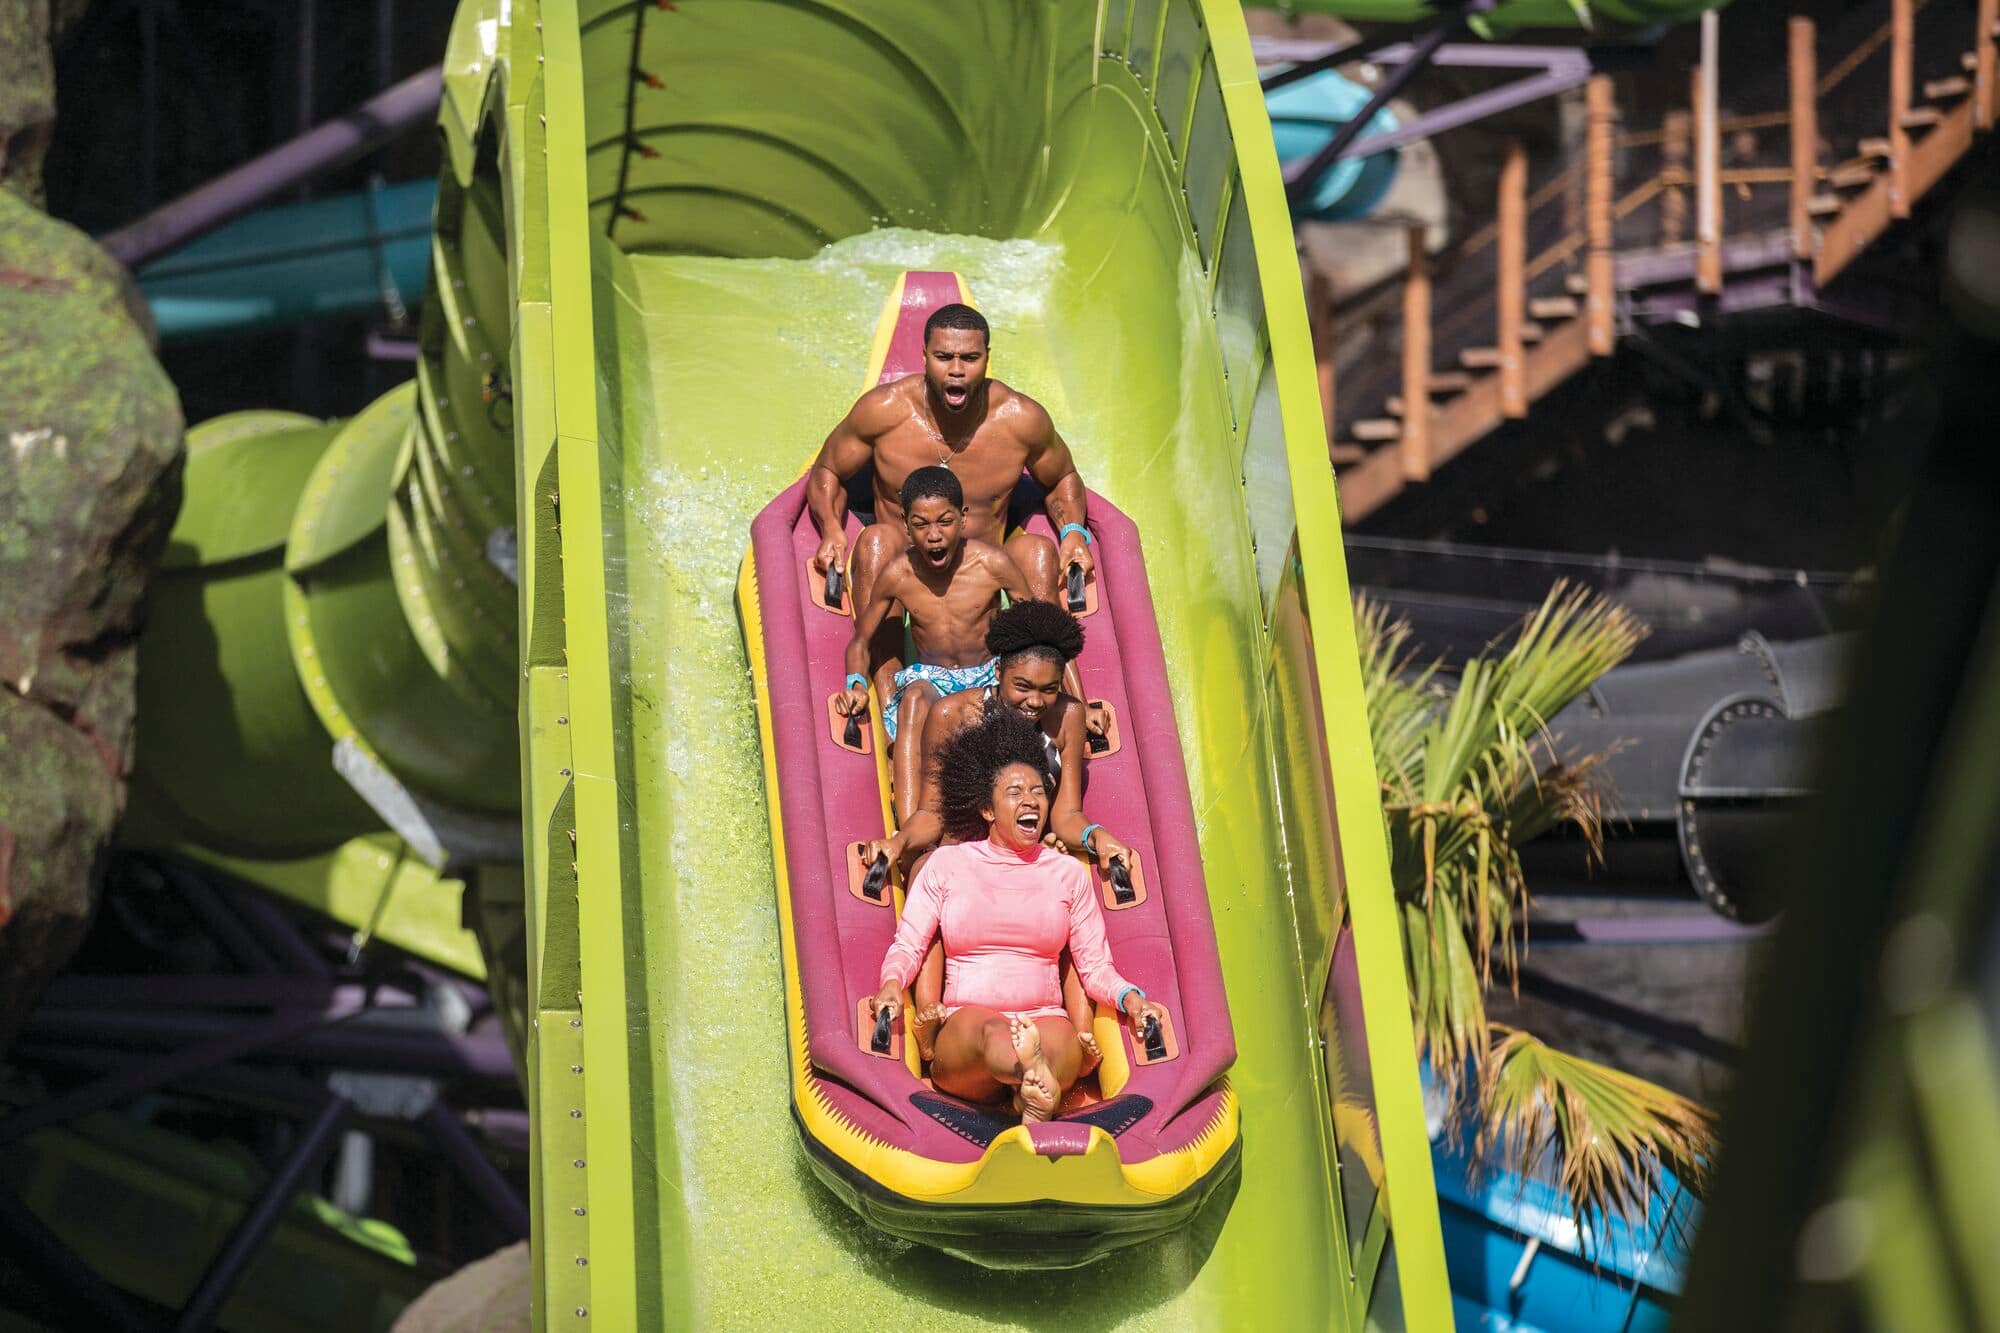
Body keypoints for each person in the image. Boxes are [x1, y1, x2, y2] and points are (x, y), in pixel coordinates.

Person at [861, 600, 1139, 1060]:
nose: (1036, 701)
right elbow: (931, 812)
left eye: (1048, 689)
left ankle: (1079, 1032)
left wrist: (1096, 836)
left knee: (1064, 887)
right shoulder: (953, 714)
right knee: (930, 869)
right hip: (962, 848)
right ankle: (930, 1016)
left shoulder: (1067, 716)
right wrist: (899, 842)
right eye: (1022, 686)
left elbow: (1066, 814)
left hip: (1028, 849)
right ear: (997, 672)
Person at [867, 711, 1169, 1122]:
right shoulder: (947, 865)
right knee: (994, 1033)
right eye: (1014, 792)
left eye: (1038, 791)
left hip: (1045, 1017)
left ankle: (1034, 1079)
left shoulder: (1067, 875)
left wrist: (1132, 1000)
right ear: (987, 809)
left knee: (1058, 1040)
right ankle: (1030, 1076)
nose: (1030, 800)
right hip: (968, 1020)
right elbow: (910, 944)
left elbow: (1095, 967)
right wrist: (890, 985)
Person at [807, 304, 1097, 702]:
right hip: (904, 570)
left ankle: (1058, 696)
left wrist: (1074, 532)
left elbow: (1062, 477)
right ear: (924, 356)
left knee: (1037, 551)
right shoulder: (884, 411)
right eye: (944, 357)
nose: (956, 370)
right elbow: (827, 470)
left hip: (984, 575)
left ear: (987, 358)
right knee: (876, 541)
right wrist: (831, 529)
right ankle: (889, 698)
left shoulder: (1020, 419)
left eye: (970, 358)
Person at [838, 466, 1030, 805]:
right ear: (905, 524)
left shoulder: (992, 564)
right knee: (913, 698)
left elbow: (1039, 630)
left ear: (963, 517)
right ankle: (910, 822)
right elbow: (861, 641)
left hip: (988, 673)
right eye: (921, 524)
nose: (934, 535)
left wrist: (1076, 701)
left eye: (945, 521)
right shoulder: (898, 575)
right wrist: (855, 683)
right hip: (933, 679)